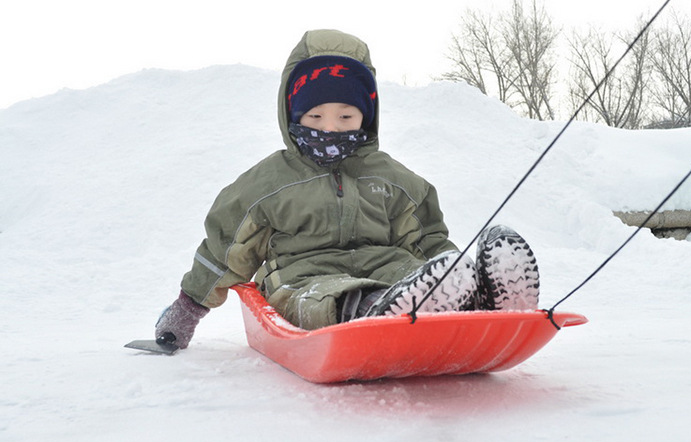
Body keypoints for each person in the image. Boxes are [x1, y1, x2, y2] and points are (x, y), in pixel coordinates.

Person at [155, 29, 540, 349]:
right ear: (294, 116)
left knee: (413, 273)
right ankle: (381, 311)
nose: (330, 127)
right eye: (316, 116)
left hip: (392, 271)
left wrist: (454, 268)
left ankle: (482, 301)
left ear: (365, 117)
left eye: (345, 116)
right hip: (303, 278)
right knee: (328, 298)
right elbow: (225, 250)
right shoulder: (268, 183)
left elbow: (427, 240)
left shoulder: (393, 178)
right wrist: (188, 309)